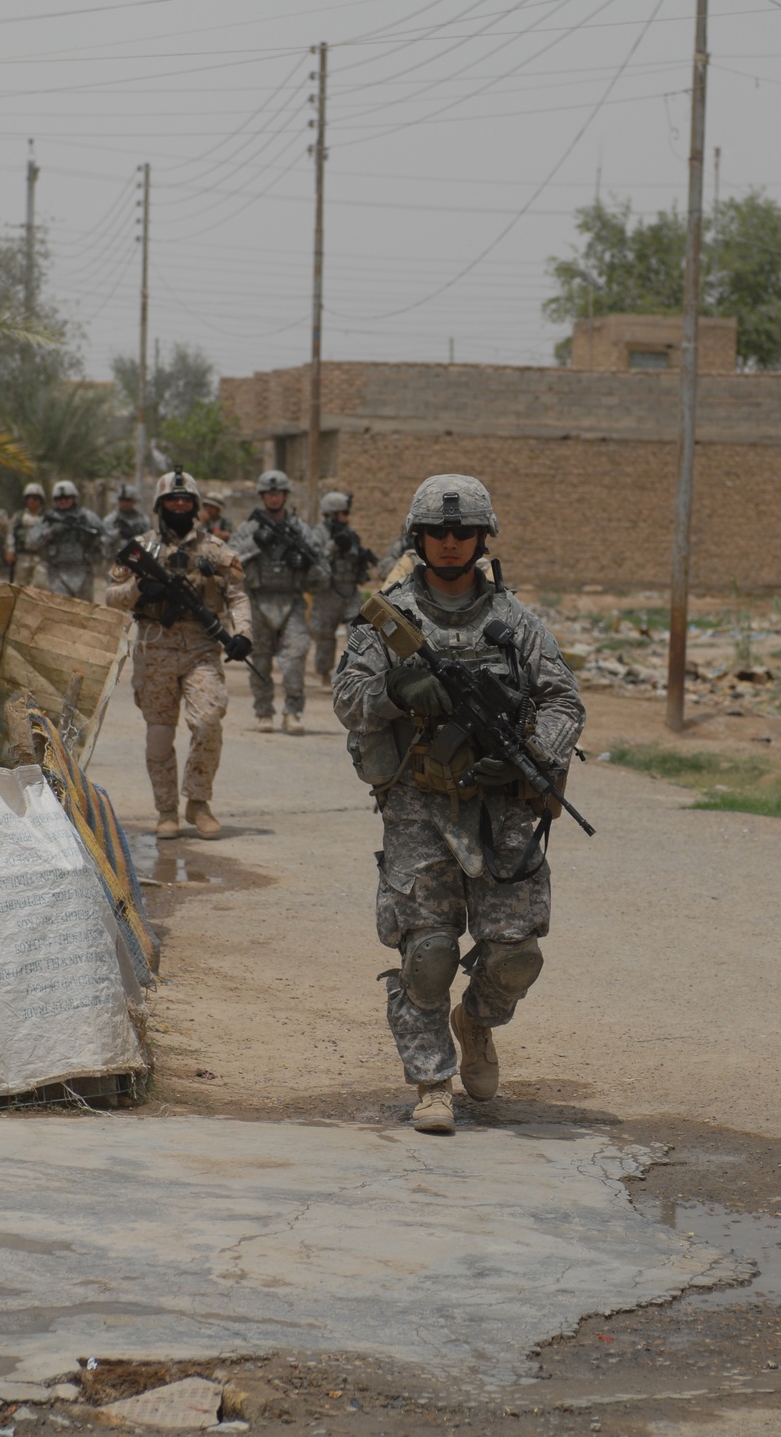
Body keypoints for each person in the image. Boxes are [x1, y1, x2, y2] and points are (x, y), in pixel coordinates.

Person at [333, 474, 585, 1135]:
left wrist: (530, 750)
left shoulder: (514, 621)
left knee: (515, 955)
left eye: (463, 532)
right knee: (429, 950)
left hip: (500, 803)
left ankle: (475, 1023)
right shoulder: (389, 619)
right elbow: (348, 702)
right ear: (419, 537)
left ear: (480, 539)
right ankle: (431, 1082)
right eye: (438, 533)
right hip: (417, 802)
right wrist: (396, 692)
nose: (450, 543)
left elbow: (564, 701)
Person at [106, 468, 252, 840]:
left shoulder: (215, 550)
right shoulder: (143, 548)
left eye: (186, 500)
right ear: (161, 505)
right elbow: (113, 596)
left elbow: (237, 596)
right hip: (154, 646)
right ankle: (166, 810)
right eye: (173, 500)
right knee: (158, 734)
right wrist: (141, 589)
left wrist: (243, 635)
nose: (179, 505)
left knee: (207, 721)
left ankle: (198, 803)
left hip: (201, 646)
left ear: (196, 506)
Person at [228, 469, 329, 734]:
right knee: (259, 660)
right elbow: (229, 561)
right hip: (258, 601)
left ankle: (293, 712)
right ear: (263, 496)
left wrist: (304, 564)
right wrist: (256, 545)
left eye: (278, 493)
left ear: (285, 495)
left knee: (295, 657)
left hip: (292, 602)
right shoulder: (249, 529)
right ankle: (264, 712)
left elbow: (323, 573)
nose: (274, 498)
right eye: (269, 494)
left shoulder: (300, 530)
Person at [310, 490, 377, 685]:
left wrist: (363, 557)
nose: (346, 517)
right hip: (327, 593)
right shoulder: (319, 534)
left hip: (350, 592)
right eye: (343, 513)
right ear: (332, 514)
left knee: (358, 634)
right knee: (325, 637)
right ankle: (324, 673)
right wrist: (333, 546)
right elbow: (315, 560)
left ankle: (354, 674)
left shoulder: (349, 532)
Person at [31, 480, 104, 600]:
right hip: (56, 572)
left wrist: (89, 537)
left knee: (86, 612)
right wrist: (51, 532)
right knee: (60, 611)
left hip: (83, 570)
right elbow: (32, 542)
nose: (63, 501)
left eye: (67, 498)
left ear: (74, 498)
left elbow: (104, 538)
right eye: (59, 499)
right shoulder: (47, 519)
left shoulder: (87, 517)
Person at [6, 483, 49, 588]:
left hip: (41, 557)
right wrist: (10, 549)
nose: (31, 500)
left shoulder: (47, 517)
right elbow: (11, 533)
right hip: (23, 556)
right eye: (29, 498)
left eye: (35, 498)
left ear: (41, 500)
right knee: (20, 586)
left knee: (41, 585)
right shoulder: (19, 516)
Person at [102, 483, 152, 558]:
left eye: (128, 500)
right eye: (122, 500)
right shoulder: (110, 519)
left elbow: (151, 539)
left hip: (138, 558)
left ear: (134, 501)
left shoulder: (143, 520)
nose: (124, 503)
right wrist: (118, 533)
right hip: (116, 559)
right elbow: (104, 541)